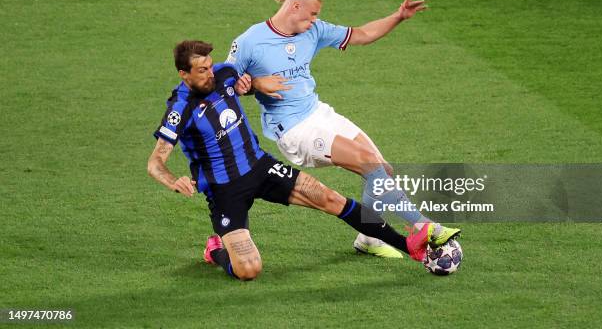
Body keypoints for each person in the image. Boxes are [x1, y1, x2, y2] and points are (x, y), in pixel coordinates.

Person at [147, 40, 447, 280]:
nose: (210, 73)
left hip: (260, 167)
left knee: (330, 198)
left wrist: (257, 84)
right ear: (184, 74)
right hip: (225, 191)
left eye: (210, 66)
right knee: (249, 270)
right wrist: (174, 180)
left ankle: (409, 247)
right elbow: (155, 163)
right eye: (201, 70)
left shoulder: (224, 75)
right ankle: (216, 250)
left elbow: (248, 84)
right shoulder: (180, 109)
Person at [226, 0, 460, 257]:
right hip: (294, 130)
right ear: (295, 5)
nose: (315, 20)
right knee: (368, 163)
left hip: (319, 113)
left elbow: (361, 34)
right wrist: (254, 85)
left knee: (382, 170)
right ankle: (424, 226)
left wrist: (398, 16)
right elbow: (222, 85)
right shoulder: (250, 42)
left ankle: (369, 237)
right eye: (312, 14)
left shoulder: (313, 31)